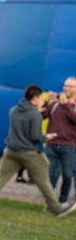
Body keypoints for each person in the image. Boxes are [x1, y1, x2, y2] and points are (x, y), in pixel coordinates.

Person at [0, 85, 76, 216]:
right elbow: (36, 137)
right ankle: (57, 208)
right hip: (28, 153)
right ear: (35, 98)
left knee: (0, 177)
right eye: (41, 97)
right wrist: (46, 137)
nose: (42, 99)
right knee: (44, 181)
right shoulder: (35, 115)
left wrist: (45, 104)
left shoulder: (14, 110)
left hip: (11, 150)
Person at [44, 77, 76, 205]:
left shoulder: (72, 105)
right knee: (50, 174)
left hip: (69, 145)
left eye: (71, 86)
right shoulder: (55, 104)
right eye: (65, 85)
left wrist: (66, 105)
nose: (67, 88)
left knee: (68, 175)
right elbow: (42, 116)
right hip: (52, 144)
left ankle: (63, 200)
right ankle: (50, 202)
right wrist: (46, 102)